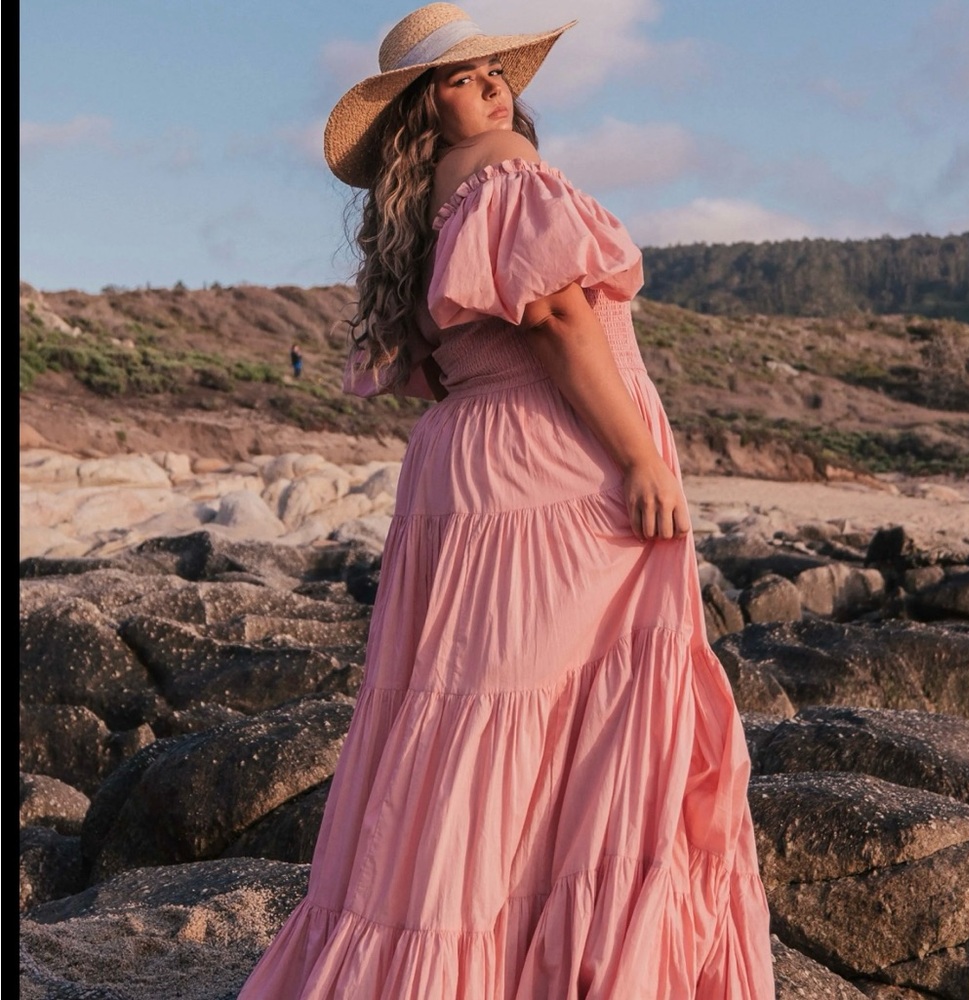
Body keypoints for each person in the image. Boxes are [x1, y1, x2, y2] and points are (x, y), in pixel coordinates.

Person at [239, 4, 774, 997]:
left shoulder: (421, 210)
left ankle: (460, 958)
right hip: (549, 470)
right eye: (462, 77)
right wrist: (639, 457)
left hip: (470, 472)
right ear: (419, 107)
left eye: (495, 72)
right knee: (574, 713)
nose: (492, 88)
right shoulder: (502, 170)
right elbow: (561, 316)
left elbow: (447, 366)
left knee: (471, 721)